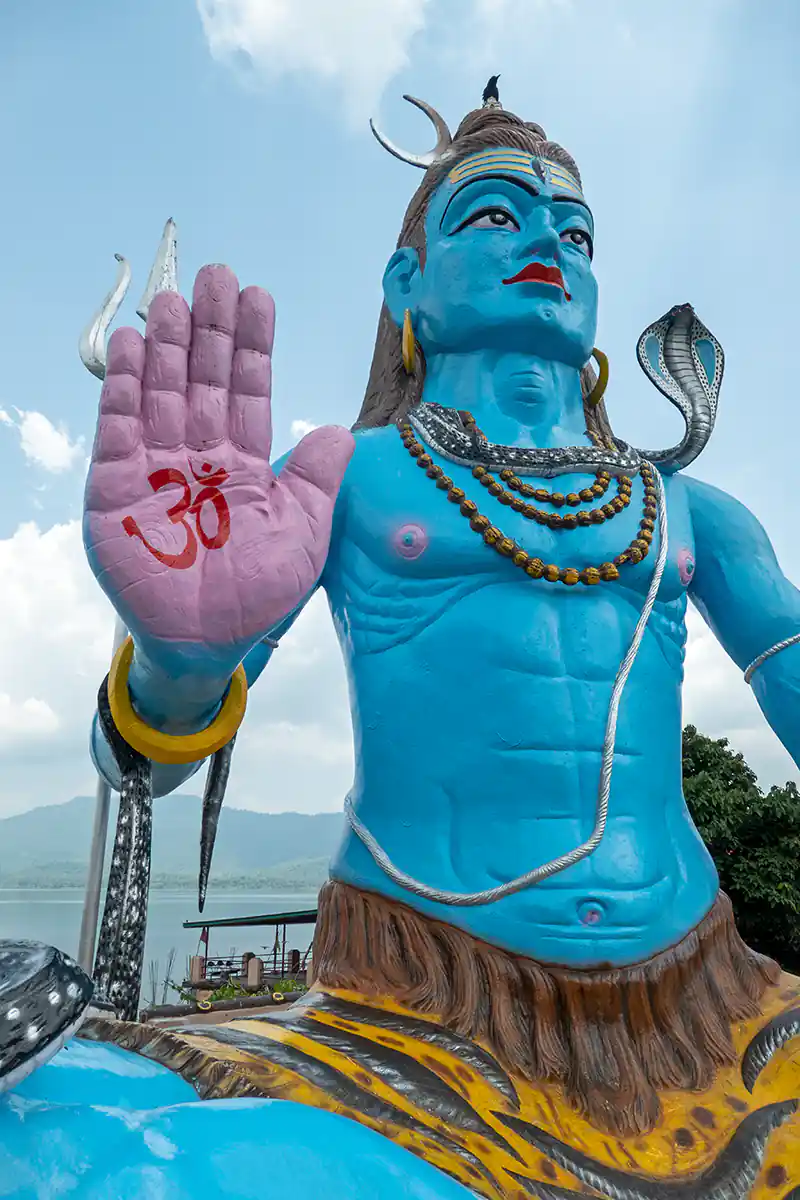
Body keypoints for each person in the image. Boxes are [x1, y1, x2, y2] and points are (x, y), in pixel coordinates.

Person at [2, 85, 799, 1197]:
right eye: (491, 214)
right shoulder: (349, 479)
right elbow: (141, 763)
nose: (543, 243)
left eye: (572, 231)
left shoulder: (688, 512)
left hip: (712, 1003)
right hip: (414, 1008)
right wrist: (179, 661)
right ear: (404, 282)